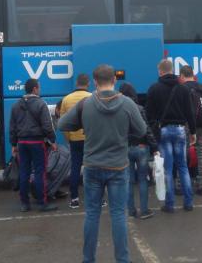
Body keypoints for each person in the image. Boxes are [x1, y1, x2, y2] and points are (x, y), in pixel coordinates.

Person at [58, 64, 147, 263]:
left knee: (92, 214)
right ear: (114, 80)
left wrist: (81, 123)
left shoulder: (85, 104)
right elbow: (141, 130)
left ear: (95, 82)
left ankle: (88, 259)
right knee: (118, 214)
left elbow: (62, 124)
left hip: (92, 167)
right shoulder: (127, 104)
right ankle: (122, 260)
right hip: (118, 167)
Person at [146, 59, 196, 213]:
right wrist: (193, 132)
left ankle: (170, 204)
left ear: (160, 71)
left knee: (167, 169)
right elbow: (190, 113)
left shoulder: (154, 89)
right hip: (181, 130)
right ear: (172, 69)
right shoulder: (183, 89)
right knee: (183, 167)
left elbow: (149, 115)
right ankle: (188, 203)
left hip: (164, 131)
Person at [9, 78, 58, 212]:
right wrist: (52, 141)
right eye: (39, 87)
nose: (40, 89)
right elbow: (47, 126)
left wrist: (13, 144)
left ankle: (25, 204)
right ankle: (42, 203)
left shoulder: (15, 105)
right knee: (40, 172)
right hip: (36, 142)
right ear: (35, 89)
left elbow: (12, 127)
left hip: (22, 143)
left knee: (24, 172)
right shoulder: (41, 104)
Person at [119, 82, 159, 220]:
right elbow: (146, 129)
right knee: (142, 179)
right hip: (141, 147)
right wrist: (155, 147)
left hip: (124, 148)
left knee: (128, 180)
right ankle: (144, 210)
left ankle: (130, 210)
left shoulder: (118, 109)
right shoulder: (140, 108)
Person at [59, 73, 92, 209]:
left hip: (74, 140)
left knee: (75, 168)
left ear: (76, 83)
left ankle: (74, 199)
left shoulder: (66, 99)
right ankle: (97, 198)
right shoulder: (92, 98)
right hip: (90, 140)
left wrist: (69, 138)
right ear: (88, 84)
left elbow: (62, 123)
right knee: (92, 169)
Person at [180, 65, 202, 195]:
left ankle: (183, 184)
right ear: (193, 74)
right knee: (201, 153)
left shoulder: (183, 88)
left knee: (183, 153)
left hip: (189, 125)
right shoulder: (201, 87)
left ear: (182, 76)